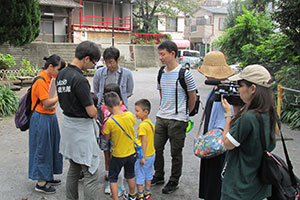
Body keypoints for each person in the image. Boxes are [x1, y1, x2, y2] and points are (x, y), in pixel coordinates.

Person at [221, 64, 276, 199]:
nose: (239, 90)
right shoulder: (270, 114)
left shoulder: (248, 117)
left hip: (239, 188)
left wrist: (229, 115)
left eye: (241, 86)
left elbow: (227, 143)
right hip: (259, 187)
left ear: (252, 89)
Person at [56, 41, 101, 200]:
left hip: (68, 126)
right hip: (81, 130)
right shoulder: (80, 79)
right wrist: (97, 111)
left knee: (74, 169)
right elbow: (90, 111)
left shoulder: (61, 74)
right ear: (87, 58)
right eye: (93, 62)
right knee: (90, 172)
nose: (92, 66)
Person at [151, 40, 197, 194]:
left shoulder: (185, 73)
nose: (161, 57)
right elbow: (162, 93)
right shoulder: (161, 73)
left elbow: (193, 97)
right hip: (161, 117)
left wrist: (186, 114)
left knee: (175, 152)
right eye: (160, 54)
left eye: (163, 54)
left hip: (178, 120)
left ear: (172, 54)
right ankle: (158, 175)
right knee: (156, 148)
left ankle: (174, 180)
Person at [197, 51, 235, 200]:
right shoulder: (217, 88)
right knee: (211, 177)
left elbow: (227, 116)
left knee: (215, 177)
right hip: (212, 139)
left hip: (218, 141)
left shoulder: (227, 90)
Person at [29, 54, 64, 194]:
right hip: (41, 117)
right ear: (50, 67)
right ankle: (41, 182)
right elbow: (46, 102)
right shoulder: (40, 80)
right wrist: (59, 96)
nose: (59, 73)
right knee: (42, 148)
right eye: (58, 69)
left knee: (53, 146)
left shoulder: (50, 78)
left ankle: (48, 175)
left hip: (50, 116)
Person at [103, 91, 137, 200]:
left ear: (107, 108)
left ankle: (115, 198)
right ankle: (132, 195)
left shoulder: (110, 122)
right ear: (121, 103)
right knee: (130, 175)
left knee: (113, 178)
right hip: (131, 152)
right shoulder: (130, 115)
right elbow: (132, 125)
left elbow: (107, 137)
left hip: (118, 154)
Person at [100, 83, 127, 196]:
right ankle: (108, 175)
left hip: (115, 137)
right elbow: (102, 121)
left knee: (113, 159)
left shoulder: (123, 109)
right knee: (106, 157)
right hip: (105, 135)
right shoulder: (103, 107)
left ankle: (113, 180)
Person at [134, 99, 155, 200]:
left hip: (144, 155)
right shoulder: (150, 123)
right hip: (151, 154)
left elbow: (144, 142)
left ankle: (140, 194)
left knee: (140, 175)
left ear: (145, 112)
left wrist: (142, 156)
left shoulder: (142, 126)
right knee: (148, 174)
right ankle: (147, 192)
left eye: (137, 111)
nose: (135, 113)